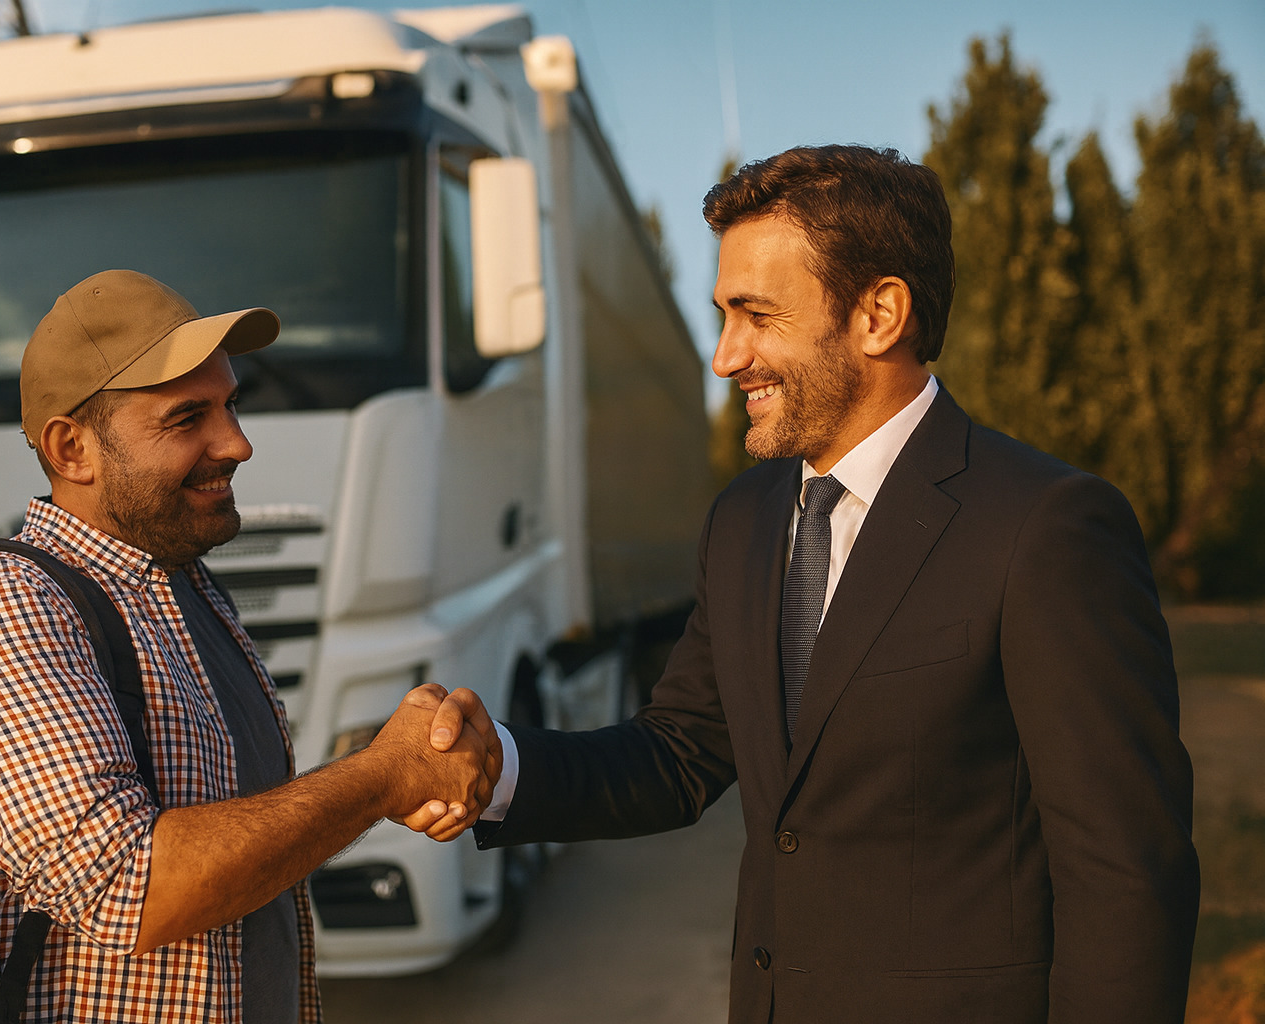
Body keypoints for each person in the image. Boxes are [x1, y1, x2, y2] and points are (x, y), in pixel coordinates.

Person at [419, 145, 1200, 1023]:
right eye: (722, 314)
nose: (724, 357)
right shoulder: (744, 519)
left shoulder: (1048, 527)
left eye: (755, 314)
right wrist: (503, 765)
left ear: (880, 314)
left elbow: (1126, 869)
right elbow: (680, 753)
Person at [0, 269, 497, 1022]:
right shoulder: (2, 604)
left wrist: (398, 774)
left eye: (231, 406)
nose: (238, 443)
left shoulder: (183, 589)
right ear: (72, 448)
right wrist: (383, 775)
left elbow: (245, 834)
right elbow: (123, 885)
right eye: (188, 419)